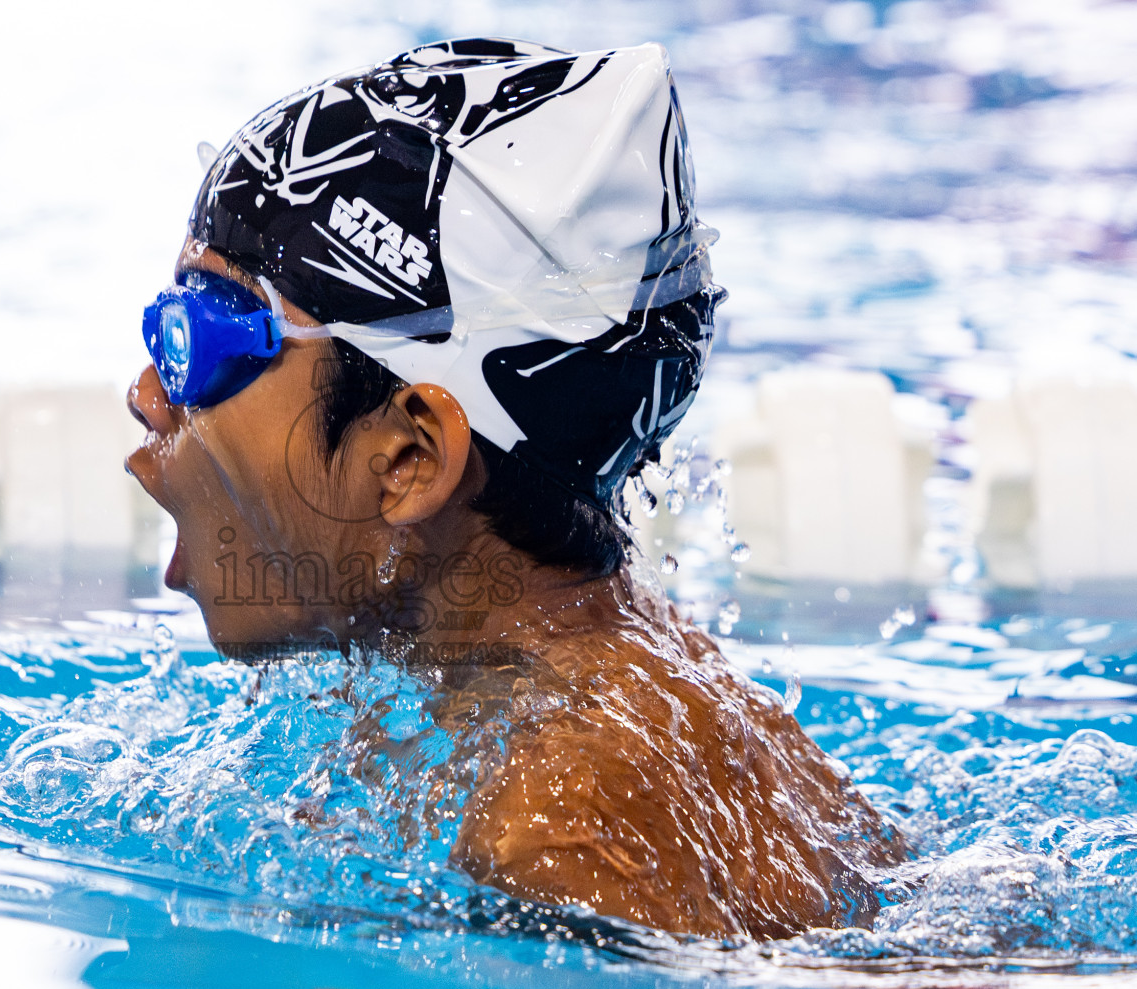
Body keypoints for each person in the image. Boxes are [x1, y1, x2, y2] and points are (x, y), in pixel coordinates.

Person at [125, 38, 904, 940]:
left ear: (410, 457)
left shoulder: (556, 839)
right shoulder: (633, 684)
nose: (148, 393)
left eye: (204, 341)